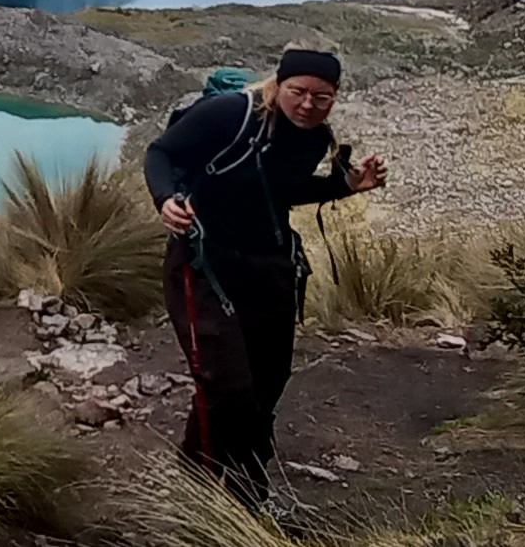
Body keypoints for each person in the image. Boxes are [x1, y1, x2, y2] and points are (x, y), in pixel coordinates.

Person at [144, 45, 388, 510]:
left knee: (263, 389)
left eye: (323, 97)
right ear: (279, 84)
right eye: (298, 92)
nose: (308, 105)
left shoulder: (316, 138)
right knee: (228, 387)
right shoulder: (230, 115)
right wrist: (166, 199)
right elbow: (161, 151)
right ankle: (201, 501)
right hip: (203, 265)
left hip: (270, 270)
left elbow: (278, 191)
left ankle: (241, 501)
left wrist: (346, 185)